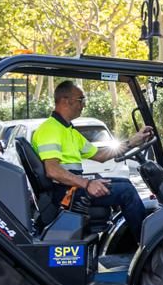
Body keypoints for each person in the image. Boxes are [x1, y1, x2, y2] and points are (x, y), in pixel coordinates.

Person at [33, 81, 154, 234]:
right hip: (64, 194)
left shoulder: (68, 130)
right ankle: (146, 245)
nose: (83, 105)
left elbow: (100, 155)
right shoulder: (50, 130)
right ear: (65, 101)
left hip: (70, 189)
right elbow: (53, 170)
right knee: (126, 191)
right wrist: (88, 183)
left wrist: (132, 142)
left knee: (124, 182)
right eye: (81, 100)